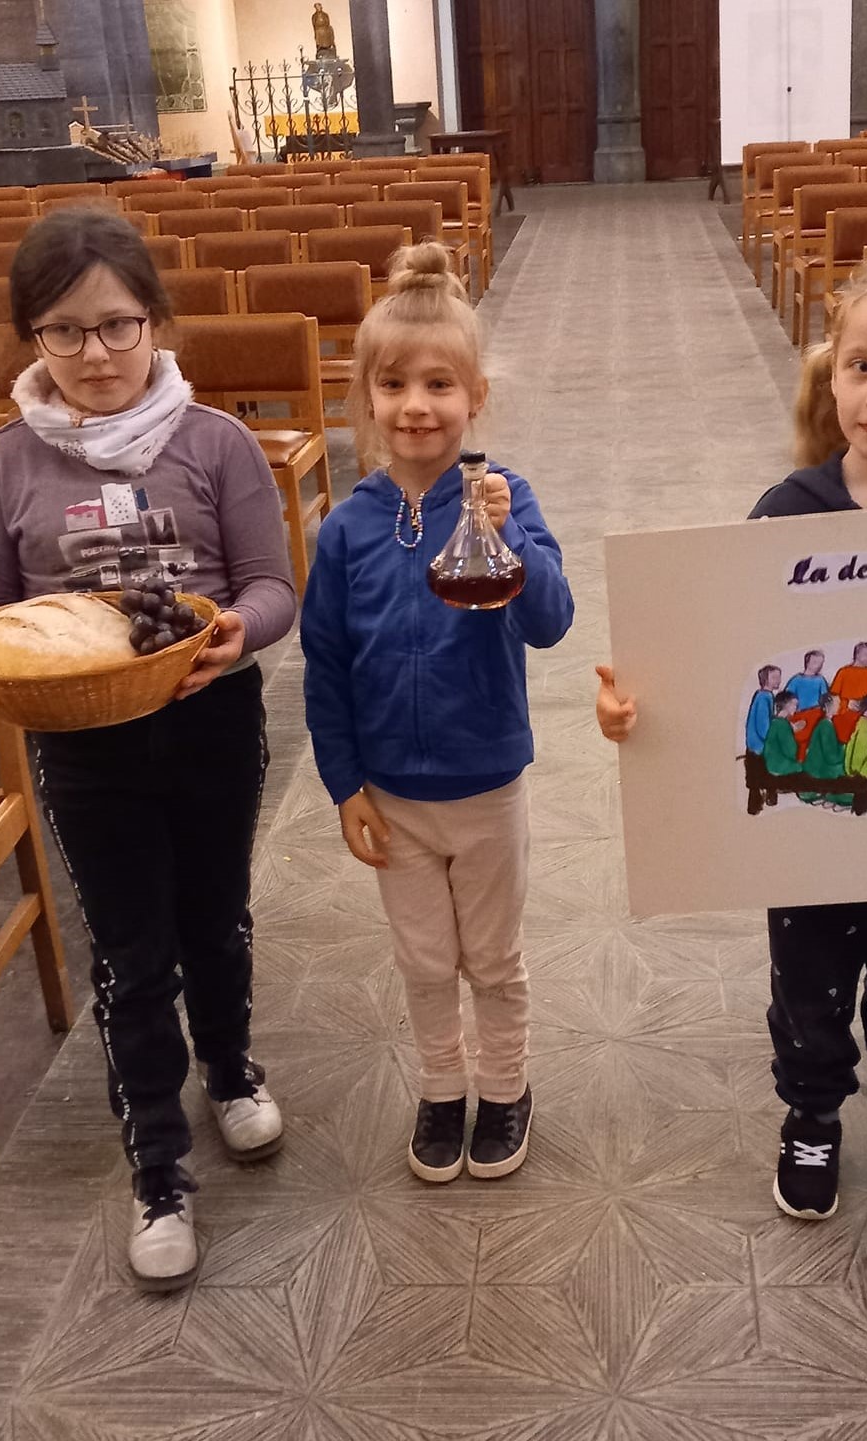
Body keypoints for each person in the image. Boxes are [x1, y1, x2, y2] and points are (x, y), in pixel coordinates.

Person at [597, 245, 867, 1223]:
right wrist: (637, 711)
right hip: (812, 824)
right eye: (860, 366)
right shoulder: (786, 512)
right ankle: (812, 1114)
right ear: (832, 371)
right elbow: (717, 654)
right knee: (810, 983)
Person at [0, 210, 296, 1289]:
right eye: (62, 331)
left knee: (216, 921)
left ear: (154, 319)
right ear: (31, 337)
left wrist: (239, 630)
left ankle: (231, 1071)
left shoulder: (215, 441)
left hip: (209, 720)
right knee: (130, 954)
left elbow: (272, 584)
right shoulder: (1, 463)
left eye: (117, 325)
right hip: (83, 743)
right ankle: (158, 1167)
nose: (95, 354)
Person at [302, 242, 574, 1187]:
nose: (415, 405)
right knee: (423, 961)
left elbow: (550, 622)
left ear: (475, 396)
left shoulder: (507, 498)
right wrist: (344, 784)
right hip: (392, 793)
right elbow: (326, 663)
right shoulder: (349, 525)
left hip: (485, 782)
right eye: (393, 385)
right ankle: (441, 1088)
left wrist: (509, 535)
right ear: (366, 398)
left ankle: (503, 1088)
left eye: (438, 384)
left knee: (491, 960)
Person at [744, 664, 781, 754]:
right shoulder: (763, 697)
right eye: (774, 677)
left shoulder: (766, 695)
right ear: (765, 679)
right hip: (759, 748)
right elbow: (763, 728)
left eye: (779, 677)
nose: (778, 680)